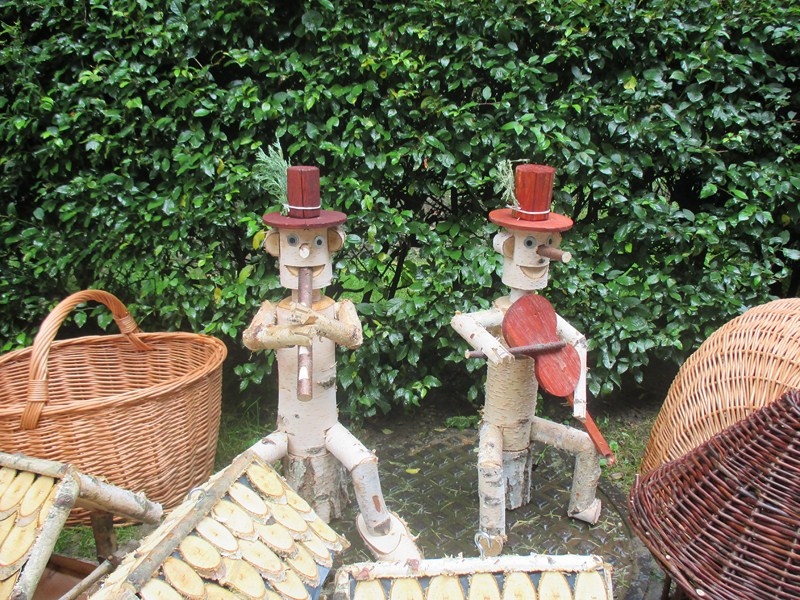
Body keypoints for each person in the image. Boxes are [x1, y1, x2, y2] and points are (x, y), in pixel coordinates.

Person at [243, 165, 421, 561]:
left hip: (327, 427)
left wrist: (320, 323)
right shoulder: (274, 308)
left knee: (363, 462)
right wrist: (289, 335)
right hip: (288, 432)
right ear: (276, 247)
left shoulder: (339, 306)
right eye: (292, 242)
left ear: (332, 244)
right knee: (245, 468)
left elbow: (354, 337)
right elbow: (251, 339)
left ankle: (382, 531)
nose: (305, 253)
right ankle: (244, 531)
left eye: (316, 242)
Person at [451, 164, 605, 557]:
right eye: (531, 244)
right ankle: (491, 536)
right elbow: (463, 320)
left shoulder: (543, 312)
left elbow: (577, 340)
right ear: (506, 246)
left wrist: (578, 388)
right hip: (498, 426)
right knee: (489, 467)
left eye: (547, 244)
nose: (543, 254)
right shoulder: (505, 310)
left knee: (587, 445)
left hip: (527, 420)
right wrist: (492, 346)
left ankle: (583, 504)